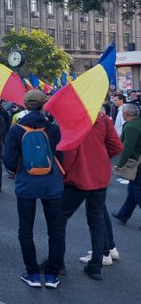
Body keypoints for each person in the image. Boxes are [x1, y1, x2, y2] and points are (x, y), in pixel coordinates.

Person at [3, 90, 63, 289]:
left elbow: (9, 160)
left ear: (25, 105)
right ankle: (53, 274)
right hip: (52, 182)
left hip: (27, 183)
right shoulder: (53, 129)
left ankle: (33, 273)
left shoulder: (16, 129)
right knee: (55, 229)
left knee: (26, 229)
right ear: (44, 105)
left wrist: (19, 170)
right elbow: (60, 155)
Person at [58, 109, 122, 280]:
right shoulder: (104, 119)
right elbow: (116, 146)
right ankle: (96, 266)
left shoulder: (75, 118)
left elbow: (70, 152)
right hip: (99, 176)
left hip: (78, 176)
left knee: (59, 218)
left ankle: (57, 263)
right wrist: (100, 156)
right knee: (97, 221)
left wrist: (64, 173)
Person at [113, 103, 141, 225]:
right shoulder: (138, 123)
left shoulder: (130, 127)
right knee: (133, 190)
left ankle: (123, 214)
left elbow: (127, 149)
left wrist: (120, 165)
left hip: (136, 163)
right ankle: (123, 214)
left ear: (126, 114)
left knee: (136, 190)